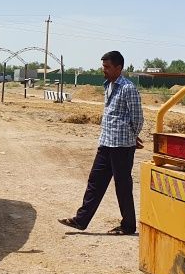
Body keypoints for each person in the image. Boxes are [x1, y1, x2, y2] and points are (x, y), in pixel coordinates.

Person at [59, 50, 144, 235]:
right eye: (103, 66)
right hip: (106, 143)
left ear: (118, 68)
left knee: (122, 186)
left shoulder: (128, 88)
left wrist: (131, 137)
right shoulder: (108, 85)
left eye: (107, 67)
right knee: (95, 182)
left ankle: (128, 226)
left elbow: (137, 118)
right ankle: (81, 220)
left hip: (121, 147)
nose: (103, 70)